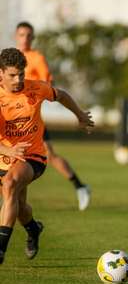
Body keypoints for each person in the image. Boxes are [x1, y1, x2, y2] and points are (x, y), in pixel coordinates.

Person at [0, 48, 94, 264]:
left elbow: (60, 95)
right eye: (13, 75)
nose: (19, 79)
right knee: (18, 205)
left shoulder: (36, 88)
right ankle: (33, 229)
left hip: (33, 156)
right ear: (1, 74)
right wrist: (8, 151)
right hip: (5, 156)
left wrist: (79, 114)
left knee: (10, 183)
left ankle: (1, 249)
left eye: (21, 74)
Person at [15, 21, 90, 211]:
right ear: (16, 35)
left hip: (31, 119)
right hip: (10, 119)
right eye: (22, 34)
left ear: (33, 38)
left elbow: (49, 86)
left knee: (48, 155)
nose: (25, 38)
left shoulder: (36, 58)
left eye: (29, 35)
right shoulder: (9, 58)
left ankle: (80, 186)